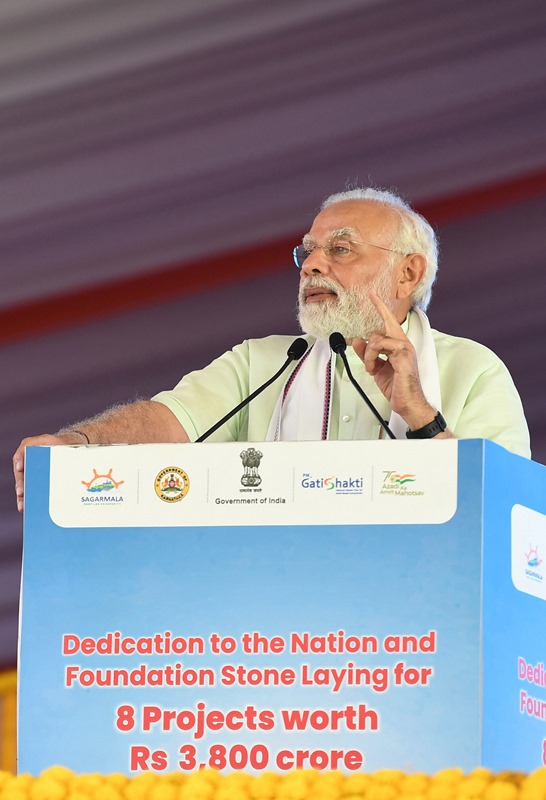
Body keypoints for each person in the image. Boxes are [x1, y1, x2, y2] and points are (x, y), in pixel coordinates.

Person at [13, 187, 531, 511]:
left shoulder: (473, 370)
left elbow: (508, 514)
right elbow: (167, 422)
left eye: (340, 249)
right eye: (307, 251)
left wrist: (419, 413)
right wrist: (77, 444)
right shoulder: (261, 364)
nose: (312, 265)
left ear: (409, 273)